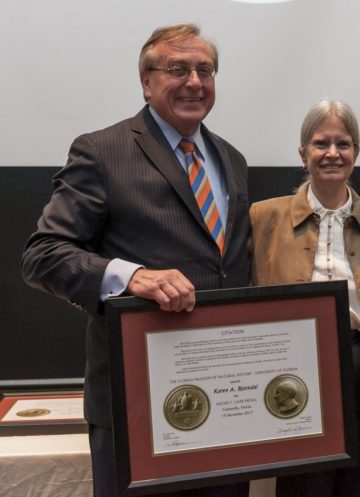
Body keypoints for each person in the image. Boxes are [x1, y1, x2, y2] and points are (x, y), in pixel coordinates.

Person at [21, 24, 250, 497]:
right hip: (138, 405)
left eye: (205, 70)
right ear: (146, 83)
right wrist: (131, 277)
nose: (194, 82)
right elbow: (42, 255)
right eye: (177, 69)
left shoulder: (232, 159)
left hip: (227, 402)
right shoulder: (102, 151)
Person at [250, 99, 360, 497]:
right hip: (291, 379)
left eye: (344, 144)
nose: (332, 153)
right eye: (321, 143)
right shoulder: (262, 218)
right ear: (303, 153)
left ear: (356, 153)